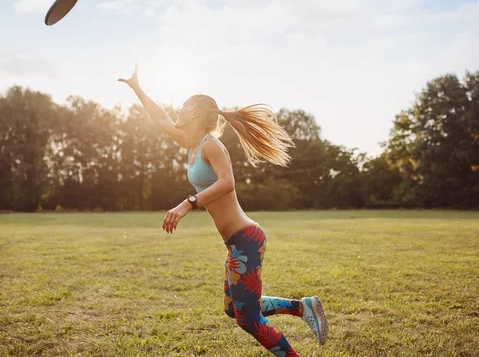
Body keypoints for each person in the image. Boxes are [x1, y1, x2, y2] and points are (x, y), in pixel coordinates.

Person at [118, 64, 328, 356]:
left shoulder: (211, 146)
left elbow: (228, 182)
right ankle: (301, 306)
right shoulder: (192, 146)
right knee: (233, 309)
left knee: (248, 318)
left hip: (247, 239)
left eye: (183, 106)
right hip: (235, 243)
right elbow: (161, 120)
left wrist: (187, 203)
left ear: (194, 113)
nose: (177, 110)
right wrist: (138, 89)